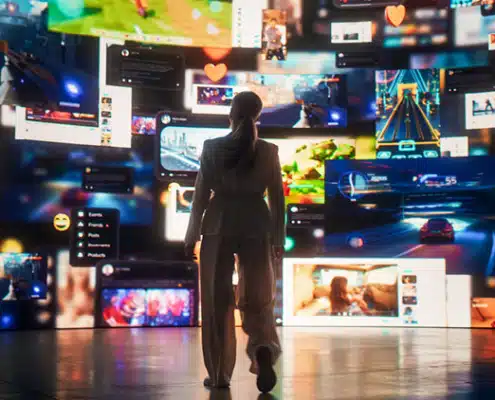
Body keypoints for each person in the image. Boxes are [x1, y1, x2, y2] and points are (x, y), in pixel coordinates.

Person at [184, 91, 284, 393]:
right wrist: (278, 237)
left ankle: (218, 374)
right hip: (256, 223)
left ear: (231, 112)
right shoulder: (269, 151)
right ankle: (263, 347)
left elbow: (201, 196)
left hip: (218, 223)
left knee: (216, 300)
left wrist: (191, 235)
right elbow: (278, 199)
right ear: (257, 116)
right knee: (258, 297)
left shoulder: (212, 148)